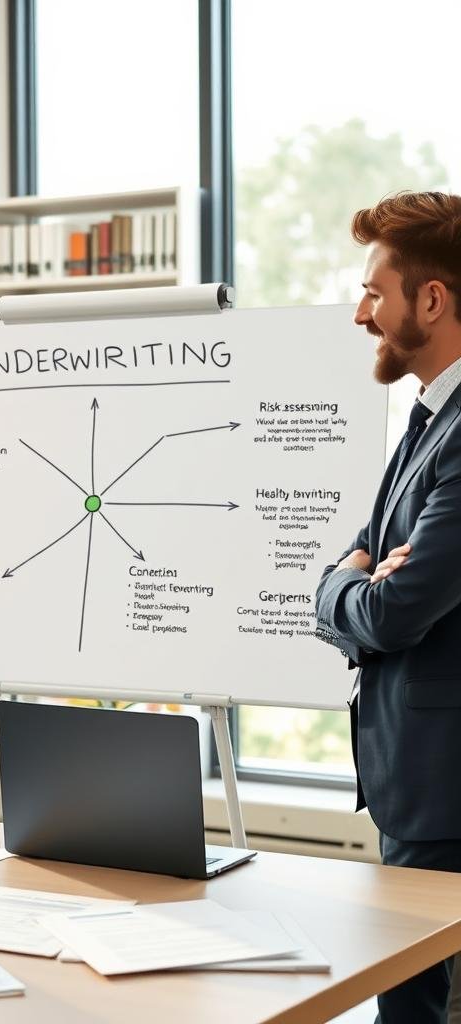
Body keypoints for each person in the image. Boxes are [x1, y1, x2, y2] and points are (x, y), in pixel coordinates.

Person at [315, 191, 461, 1023]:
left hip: (445, 795)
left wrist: (353, 583)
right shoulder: (428, 418)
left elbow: (397, 609)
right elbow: (361, 558)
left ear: (431, 300)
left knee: (411, 1014)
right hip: (415, 783)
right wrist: (354, 578)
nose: (360, 313)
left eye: (374, 291)